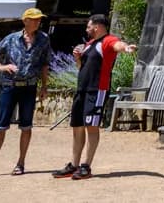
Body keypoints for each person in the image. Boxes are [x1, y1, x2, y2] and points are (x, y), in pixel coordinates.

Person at [53, 15, 135, 181]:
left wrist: (126, 48)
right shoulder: (89, 45)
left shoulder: (108, 40)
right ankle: (74, 165)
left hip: (97, 90)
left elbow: (118, 45)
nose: (86, 29)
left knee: (92, 126)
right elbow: (81, 67)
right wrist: (77, 58)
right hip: (82, 90)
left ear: (97, 26)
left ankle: (86, 166)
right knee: (77, 126)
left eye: (89, 26)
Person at [0, 6, 52, 178]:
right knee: (1, 126)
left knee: (26, 126)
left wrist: (44, 86)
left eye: (39, 19)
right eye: (34, 19)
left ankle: (20, 163)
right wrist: (2, 67)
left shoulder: (43, 39)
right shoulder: (11, 39)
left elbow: (44, 64)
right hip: (10, 85)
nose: (37, 22)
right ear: (25, 20)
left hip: (29, 87)